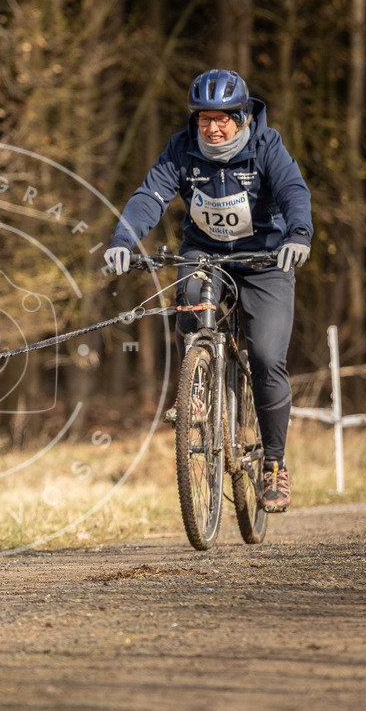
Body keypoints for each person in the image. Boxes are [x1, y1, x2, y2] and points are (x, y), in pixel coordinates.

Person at [104, 68, 312, 513]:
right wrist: (124, 239)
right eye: (203, 120)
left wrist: (299, 234)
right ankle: (197, 385)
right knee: (193, 302)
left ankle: (274, 464)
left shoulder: (266, 146)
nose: (212, 129)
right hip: (205, 255)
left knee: (268, 358)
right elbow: (149, 197)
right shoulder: (181, 151)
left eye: (222, 120)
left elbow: (294, 190)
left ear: (242, 118)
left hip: (264, 260)